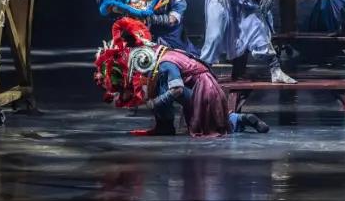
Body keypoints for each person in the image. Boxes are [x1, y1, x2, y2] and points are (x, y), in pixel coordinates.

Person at [98, 18, 269, 137]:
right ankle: (242, 119)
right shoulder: (168, 52)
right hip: (210, 91)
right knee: (216, 120)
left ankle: (165, 126)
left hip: (204, 93)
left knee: (161, 87)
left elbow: (177, 89)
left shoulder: (165, 63)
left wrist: (154, 102)